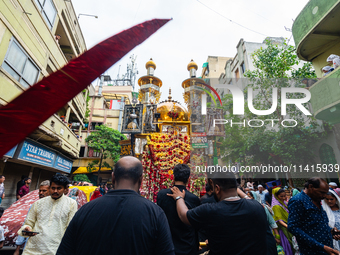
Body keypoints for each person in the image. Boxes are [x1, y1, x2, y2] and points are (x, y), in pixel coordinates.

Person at [56, 156, 174, 255]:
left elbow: (65, 251)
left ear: (113, 177)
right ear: (141, 179)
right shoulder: (155, 213)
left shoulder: (85, 210)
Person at [168, 171, 267, 255]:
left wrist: (179, 198)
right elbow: (248, 199)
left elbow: (183, 215)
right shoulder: (257, 207)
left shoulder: (211, 210)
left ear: (217, 188)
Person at [17, 174, 77, 255]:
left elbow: (70, 229)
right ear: (49, 188)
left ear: (65, 189)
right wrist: (27, 229)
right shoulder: (38, 203)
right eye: (53, 188)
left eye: (59, 188)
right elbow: (28, 224)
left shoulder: (71, 204)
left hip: (54, 250)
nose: (55, 191)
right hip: (32, 250)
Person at [288, 177, 340, 255]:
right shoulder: (298, 200)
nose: (324, 196)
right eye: (322, 192)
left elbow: (315, 224)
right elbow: (293, 227)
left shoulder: (316, 199)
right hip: (312, 251)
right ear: (311, 187)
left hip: (326, 249)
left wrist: (331, 231)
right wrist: (320, 246)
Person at [157, 164, 201, 255]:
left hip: (167, 246)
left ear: (173, 177)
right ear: (188, 179)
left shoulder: (162, 195)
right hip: (188, 247)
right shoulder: (194, 199)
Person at [14, 180, 50, 255]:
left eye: (44, 191)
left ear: (50, 192)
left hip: (46, 246)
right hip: (31, 244)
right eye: (40, 191)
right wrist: (17, 249)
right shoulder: (34, 206)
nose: (41, 193)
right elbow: (26, 224)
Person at [272, 188, 295, 255]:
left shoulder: (284, 203)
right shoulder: (276, 206)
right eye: (281, 196)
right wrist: (289, 227)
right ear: (276, 196)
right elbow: (279, 221)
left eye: (285, 195)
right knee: (288, 247)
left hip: (288, 227)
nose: (284, 197)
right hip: (283, 230)